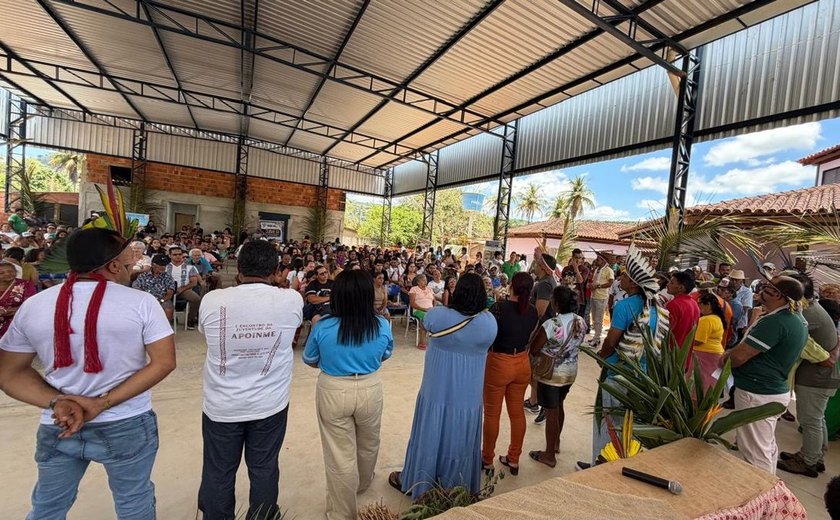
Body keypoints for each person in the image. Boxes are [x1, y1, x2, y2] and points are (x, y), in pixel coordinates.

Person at [0, 228, 176, 519]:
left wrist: (59, 402)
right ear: (114, 266)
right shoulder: (141, 303)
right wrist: (101, 403)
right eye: (127, 261)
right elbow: (164, 362)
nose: (131, 266)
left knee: (47, 508)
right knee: (134, 504)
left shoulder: (35, 305)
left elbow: (8, 373)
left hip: (60, 421)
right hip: (126, 420)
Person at [197, 240, 303, 519]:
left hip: (222, 406)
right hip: (270, 405)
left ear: (238, 269)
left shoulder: (213, 300)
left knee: (219, 470)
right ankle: (264, 515)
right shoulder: (291, 299)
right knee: (265, 467)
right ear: (276, 269)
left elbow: (205, 335)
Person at [389, 273, 497, 499]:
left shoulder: (438, 316)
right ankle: (457, 486)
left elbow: (427, 323)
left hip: (435, 392)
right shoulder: (488, 323)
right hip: (468, 397)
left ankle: (418, 481)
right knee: (461, 439)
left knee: (430, 434)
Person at [303, 270, 392, 520]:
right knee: (369, 442)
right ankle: (362, 483)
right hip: (370, 388)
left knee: (339, 454)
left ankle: (341, 513)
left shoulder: (323, 326)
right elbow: (385, 355)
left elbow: (309, 360)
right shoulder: (382, 324)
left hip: (333, 389)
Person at [577, 245, 664, 470]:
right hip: (642, 377)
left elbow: (611, 341)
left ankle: (602, 464)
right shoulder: (656, 308)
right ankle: (624, 462)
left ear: (634, 283)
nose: (621, 277)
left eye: (625, 275)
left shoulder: (625, 306)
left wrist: (602, 356)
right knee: (629, 424)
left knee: (608, 422)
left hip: (618, 374)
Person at [721, 276, 808, 474]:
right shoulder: (794, 318)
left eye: (768, 287)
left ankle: (762, 497)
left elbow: (740, 356)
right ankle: (769, 492)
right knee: (765, 446)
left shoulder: (777, 322)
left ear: (778, 295)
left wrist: (726, 356)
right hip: (769, 390)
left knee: (754, 451)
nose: (762, 288)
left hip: (758, 392)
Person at [778, 273, 840, 478]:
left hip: (817, 378)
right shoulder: (811, 309)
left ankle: (809, 461)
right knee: (816, 418)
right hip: (820, 375)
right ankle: (815, 456)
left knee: (810, 420)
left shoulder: (808, 315)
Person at [482, 272, 539, 476]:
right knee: (516, 414)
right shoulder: (533, 312)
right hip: (522, 363)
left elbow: (488, 334)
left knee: (492, 414)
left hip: (499, 362)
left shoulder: (499, 307)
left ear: (511, 286)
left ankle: (487, 459)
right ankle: (513, 459)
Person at [528, 285, 587, 468]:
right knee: (559, 405)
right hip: (570, 372)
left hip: (551, 374)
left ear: (555, 303)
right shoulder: (580, 321)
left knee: (551, 411)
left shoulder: (552, 324)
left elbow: (535, 349)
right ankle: (556, 443)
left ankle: (549, 455)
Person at [524, 253, 557, 417]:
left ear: (543, 267)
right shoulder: (547, 282)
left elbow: (539, 311)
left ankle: (539, 402)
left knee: (535, 369)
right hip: (544, 331)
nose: (534, 266)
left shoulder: (544, 284)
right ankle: (534, 401)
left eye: (537, 264)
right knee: (535, 371)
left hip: (540, 332)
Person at [694, 292, 727, 391]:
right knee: (709, 384)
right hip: (714, 354)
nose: (698, 305)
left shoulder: (706, 320)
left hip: (704, 355)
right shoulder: (716, 318)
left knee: (699, 386)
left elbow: (698, 341)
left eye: (699, 303)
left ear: (708, 304)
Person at [132, 254, 178, 321]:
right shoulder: (143, 276)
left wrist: (160, 301)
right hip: (145, 300)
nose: (163, 267)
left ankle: (164, 329)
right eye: (161, 265)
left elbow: (169, 294)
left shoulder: (168, 277)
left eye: (164, 265)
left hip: (162, 299)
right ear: (153, 265)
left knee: (168, 309)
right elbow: (136, 289)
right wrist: (147, 300)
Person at [166, 246, 202, 329]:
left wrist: (182, 289)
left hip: (183, 289)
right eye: (175, 254)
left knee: (196, 299)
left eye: (179, 254)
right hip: (167, 290)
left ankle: (190, 319)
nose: (178, 256)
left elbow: (194, 282)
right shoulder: (165, 267)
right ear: (170, 256)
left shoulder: (190, 267)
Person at [0, 261, 36, 337]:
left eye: (10, 271)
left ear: (16, 272)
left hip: (16, 323)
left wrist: (5, 311)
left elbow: (30, 305)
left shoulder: (26, 284)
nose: (7, 274)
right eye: (1, 273)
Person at [666, 270, 700, 350]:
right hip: (685, 353)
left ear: (681, 287)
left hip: (671, 352)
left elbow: (666, 330)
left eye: (671, 283)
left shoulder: (673, 304)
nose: (667, 284)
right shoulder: (694, 304)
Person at [588, 255, 614, 347]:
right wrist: (591, 285)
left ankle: (596, 339)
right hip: (593, 296)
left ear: (603, 261)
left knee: (598, 319)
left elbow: (611, 283)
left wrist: (598, 286)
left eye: (598, 259)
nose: (596, 260)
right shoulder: (596, 269)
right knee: (594, 318)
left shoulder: (609, 270)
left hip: (602, 297)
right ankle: (596, 337)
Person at [409, 274, 435, 350]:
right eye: (423, 280)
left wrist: (433, 308)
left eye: (426, 280)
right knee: (425, 317)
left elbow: (434, 301)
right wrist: (423, 309)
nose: (425, 281)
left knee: (438, 318)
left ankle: (435, 341)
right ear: (418, 282)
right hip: (418, 310)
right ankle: (422, 342)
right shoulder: (414, 289)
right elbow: (412, 303)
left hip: (430, 310)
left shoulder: (429, 289)